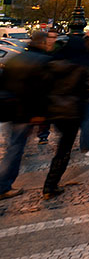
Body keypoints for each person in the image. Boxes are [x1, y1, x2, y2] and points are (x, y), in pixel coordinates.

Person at [42, 33, 89, 199]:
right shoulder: (82, 66)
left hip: (55, 111)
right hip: (73, 112)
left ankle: (50, 185)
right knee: (64, 148)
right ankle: (50, 185)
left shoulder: (53, 63)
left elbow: (43, 86)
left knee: (62, 145)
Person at [0, 31, 53, 199]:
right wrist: (40, 114)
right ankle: (3, 185)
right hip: (26, 111)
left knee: (13, 146)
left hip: (10, 108)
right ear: (43, 43)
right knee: (15, 149)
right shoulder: (43, 61)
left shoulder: (16, 58)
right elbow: (43, 91)